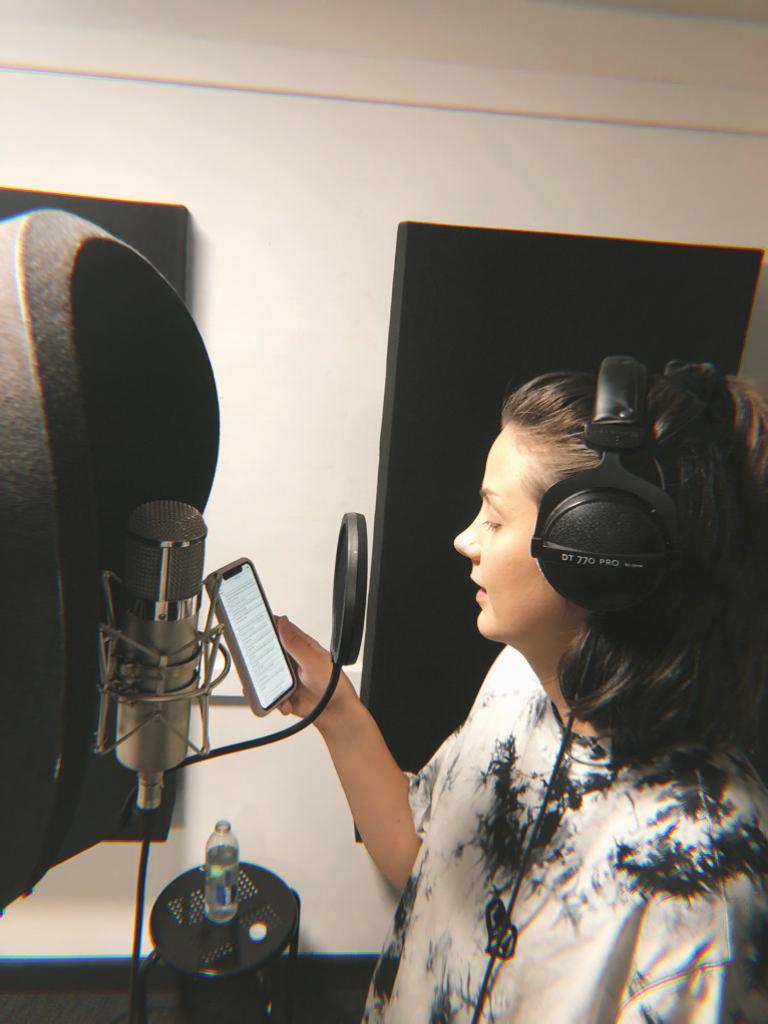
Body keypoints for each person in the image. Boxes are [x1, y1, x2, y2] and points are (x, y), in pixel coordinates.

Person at [277, 359, 768, 1022]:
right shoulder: (517, 680)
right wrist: (335, 709)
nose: (464, 539)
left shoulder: (706, 874)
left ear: (595, 556)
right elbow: (422, 864)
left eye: (494, 518)